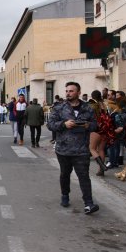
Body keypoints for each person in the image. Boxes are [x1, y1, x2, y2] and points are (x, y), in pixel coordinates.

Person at [47, 82, 100, 214]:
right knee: (65, 174)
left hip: (81, 150)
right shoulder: (59, 108)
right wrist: (64, 124)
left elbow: (96, 125)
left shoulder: (88, 108)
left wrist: (89, 126)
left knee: (84, 176)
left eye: (71, 91)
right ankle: (65, 195)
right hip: (63, 150)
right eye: (67, 91)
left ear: (78, 92)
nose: (68, 93)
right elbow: (50, 125)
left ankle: (89, 203)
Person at [87, 90, 110, 176]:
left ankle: (102, 166)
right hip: (105, 128)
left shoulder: (93, 104)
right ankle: (101, 170)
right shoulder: (104, 104)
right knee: (101, 149)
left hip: (96, 128)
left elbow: (89, 116)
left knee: (92, 148)